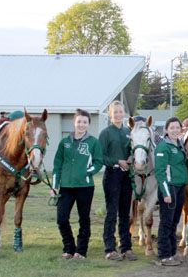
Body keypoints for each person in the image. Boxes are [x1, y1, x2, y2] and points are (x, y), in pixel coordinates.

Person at [51, 109, 103, 260]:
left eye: (84, 122)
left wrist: (88, 172)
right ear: (74, 122)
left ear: (88, 124)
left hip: (85, 187)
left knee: (84, 219)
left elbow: (99, 162)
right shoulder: (64, 142)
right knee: (61, 218)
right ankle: (68, 247)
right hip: (66, 187)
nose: (81, 124)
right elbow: (57, 165)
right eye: (79, 121)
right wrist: (55, 186)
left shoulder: (93, 142)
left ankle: (81, 251)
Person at [98, 100, 136, 261]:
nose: (119, 115)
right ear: (110, 113)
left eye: (121, 112)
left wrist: (131, 157)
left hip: (127, 176)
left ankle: (126, 247)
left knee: (125, 213)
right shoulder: (106, 133)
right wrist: (117, 161)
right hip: (112, 175)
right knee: (112, 212)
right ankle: (110, 248)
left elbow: (134, 149)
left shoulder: (129, 131)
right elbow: (100, 157)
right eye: (116, 112)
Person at [154, 117, 188, 266]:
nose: (175, 130)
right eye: (172, 128)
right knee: (166, 222)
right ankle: (163, 255)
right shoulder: (163, 147)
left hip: (180, 186)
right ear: (167, 130)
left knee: (174, 222)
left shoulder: (179, 144)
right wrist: (166, 193)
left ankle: (172, 252)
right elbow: (160, 172)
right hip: (169, 188)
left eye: (177, 128)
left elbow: (179, 164)